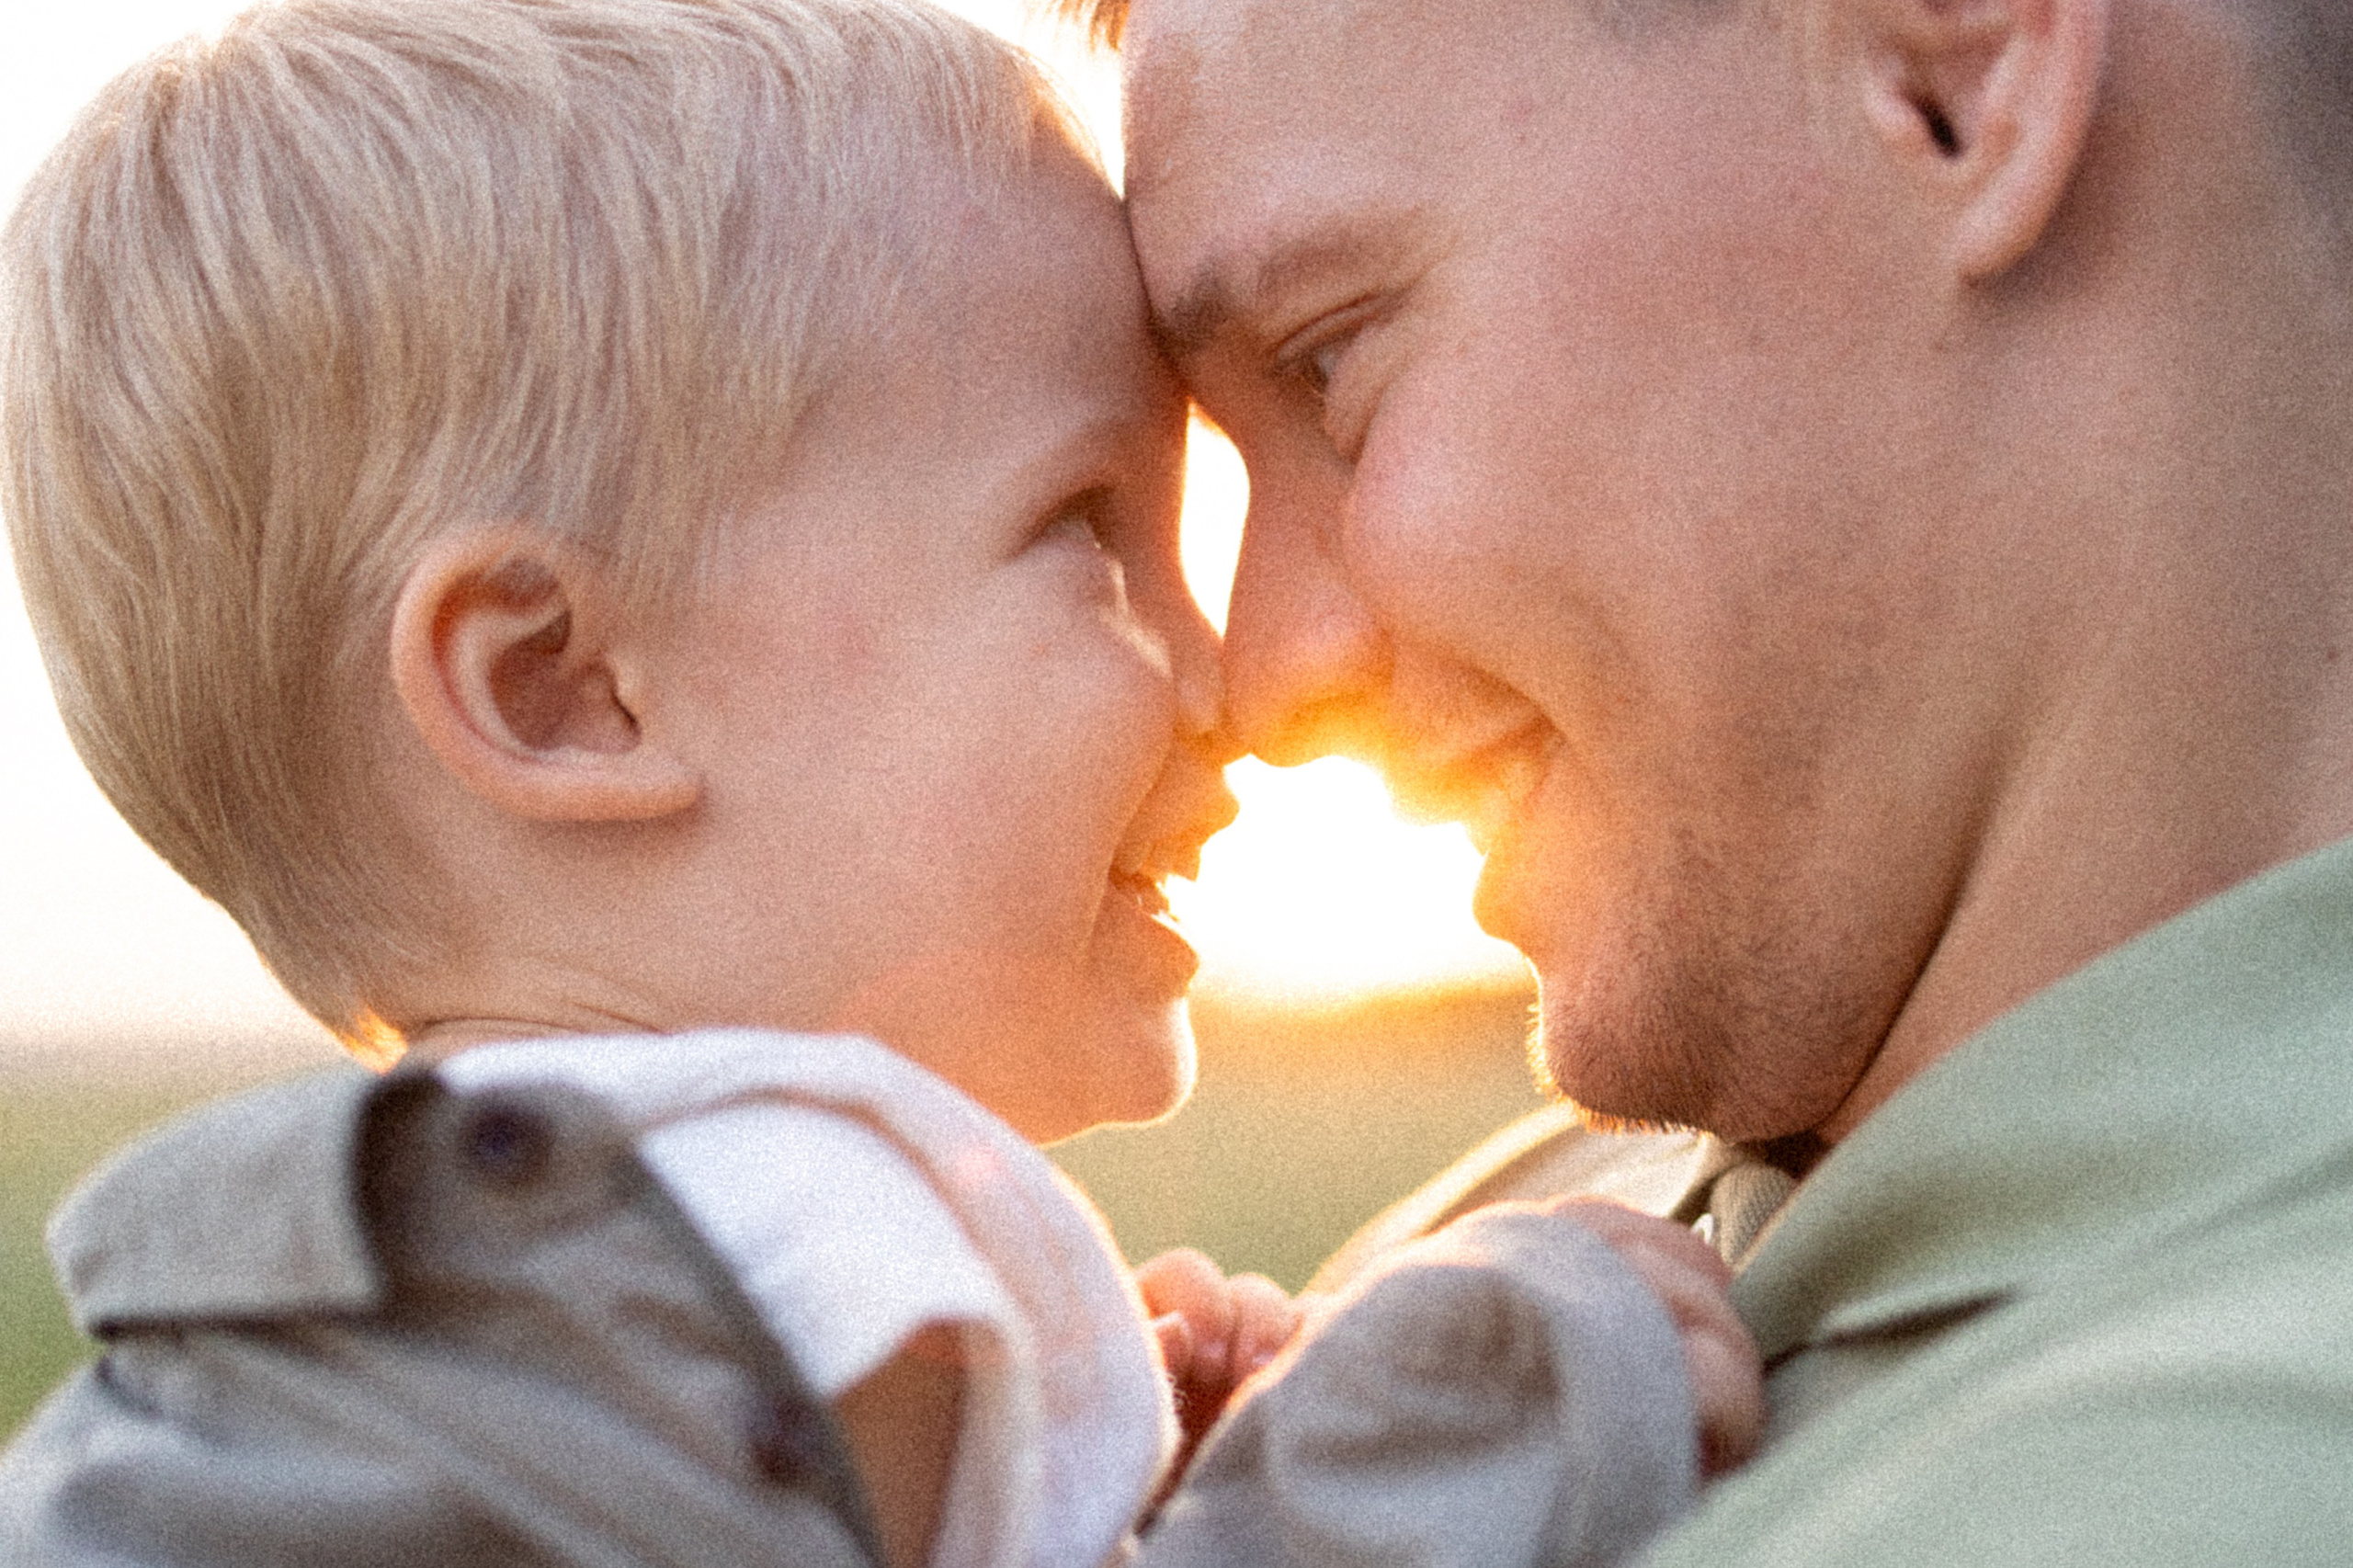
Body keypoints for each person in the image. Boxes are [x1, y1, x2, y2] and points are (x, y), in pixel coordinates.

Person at [0, 2, 1760, 1563]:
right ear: (565, 692)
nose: (1228, 682)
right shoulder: (731, 1269)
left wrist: (1108, 1490)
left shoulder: (520, 1342)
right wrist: (1436, 1418)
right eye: (1085, 530)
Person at [1062, 0, 2353, 1559]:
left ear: (1947, 77)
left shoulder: (2224, 1469)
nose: (1265, 680)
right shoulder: (1501, 1269)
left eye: (1331, 364)